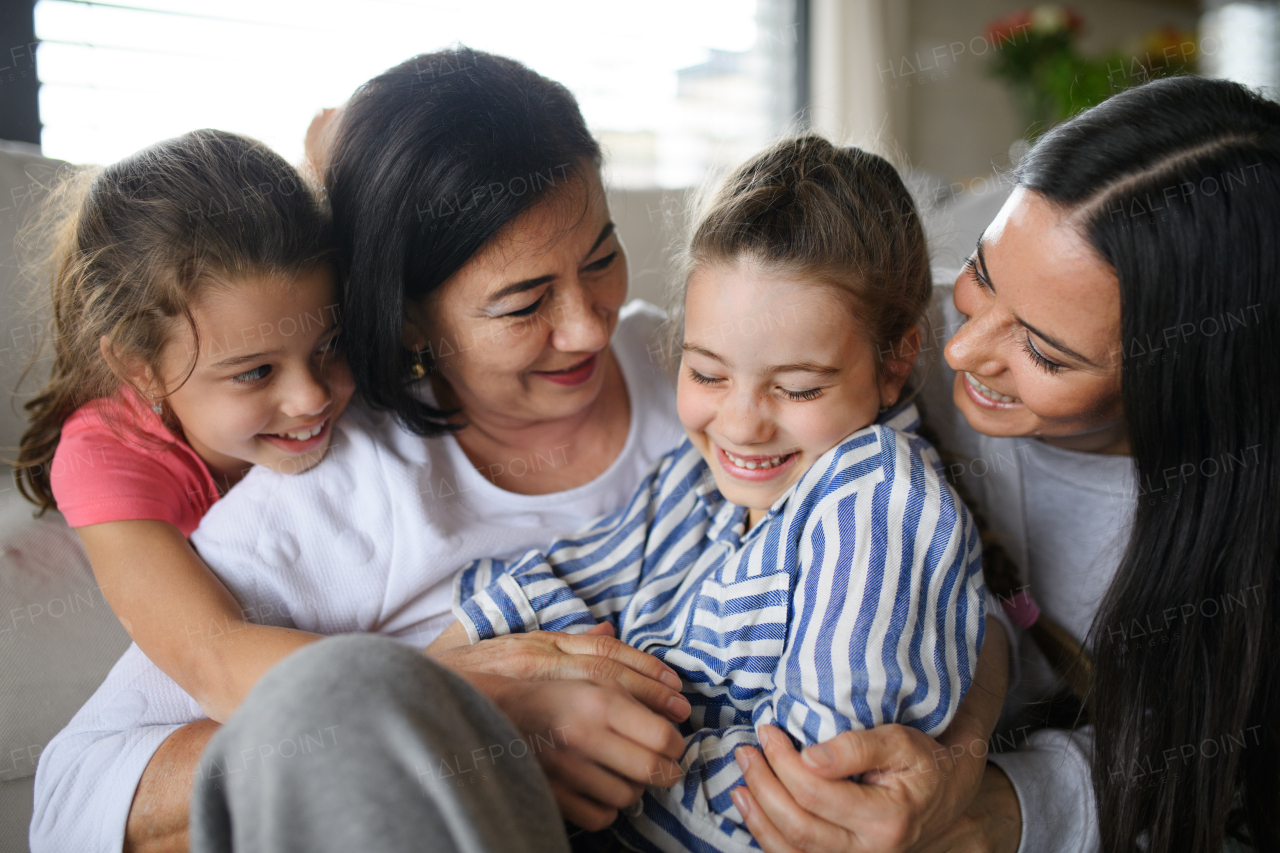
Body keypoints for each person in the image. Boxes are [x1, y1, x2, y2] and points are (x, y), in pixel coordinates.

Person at [30, 49, 1008, 853]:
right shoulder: (330, 483)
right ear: (409, 316)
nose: (589, 324)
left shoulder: (717, 368)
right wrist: (473, 718)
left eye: (600, 255)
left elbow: (930, 556)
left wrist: (956, 771)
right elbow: (73, 791)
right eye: (522, 303)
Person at [726, 75, 1280, 853]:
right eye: (981, 275)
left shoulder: (1239, 526)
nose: (959, 349)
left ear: (1185, 376)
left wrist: (990, 805)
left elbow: (1206, 760)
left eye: (1045, 352)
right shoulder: (876, 340)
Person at [436, 135, 987, 853]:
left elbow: (800, 803)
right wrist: (447, 669)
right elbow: (564, 575)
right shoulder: (696, 477)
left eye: (797, 387)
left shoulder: (878, 499)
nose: (740, 424)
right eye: (707, 374)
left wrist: (607, 757)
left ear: (894, 362)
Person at [14, 129, 355, 724]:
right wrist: (455, 686)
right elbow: (215, 663)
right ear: (138, 367)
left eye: (330, 345)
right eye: (255, 372)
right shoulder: (104, 454)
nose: (312, 397)